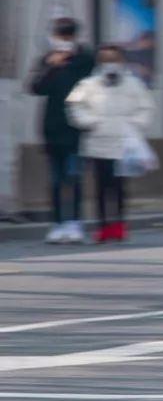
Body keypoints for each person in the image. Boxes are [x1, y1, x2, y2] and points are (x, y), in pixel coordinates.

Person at [66, 45, 155, 244]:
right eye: (106, 60)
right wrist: (89, 122)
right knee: (100, 188)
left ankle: (119, 225)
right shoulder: (87, 84)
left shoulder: (134, 84)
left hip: (124, 144)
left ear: (122, 61)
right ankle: (103, 226)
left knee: (120, 188)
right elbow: (74, 105)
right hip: (97, 144)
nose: (110, 64)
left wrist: (135, 124)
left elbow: (146, 107)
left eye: (114, 59)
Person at [26, 17, 95, 244]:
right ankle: (57, 223)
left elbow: (90, 86)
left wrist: (70, 62)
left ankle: (74, 222)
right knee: (56, 179)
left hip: (76, 127)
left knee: (73, 177)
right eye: (59, 36)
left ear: (74, 37)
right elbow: (35, 88)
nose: (62, 41)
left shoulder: (85, 58)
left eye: (66, 37)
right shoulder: (48, 59)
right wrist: (50, 66)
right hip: (52, 127)